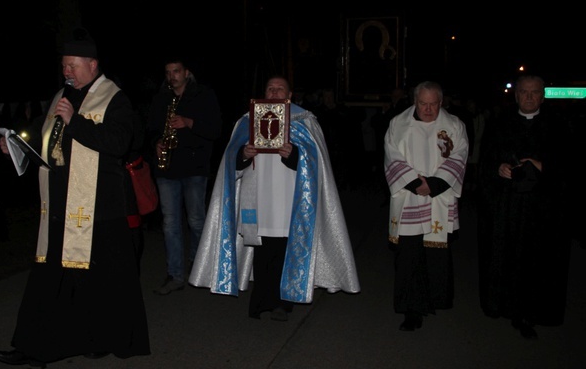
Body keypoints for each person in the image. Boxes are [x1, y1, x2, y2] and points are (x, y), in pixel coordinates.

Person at [0, 29, 150, 367]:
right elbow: (40, 134)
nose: (67, 72)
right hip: (60, 204)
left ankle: (101, 337)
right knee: (49, 277)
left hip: (102, 207)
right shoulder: (60, 96)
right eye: (64, 66)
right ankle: (32, 346)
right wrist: (16, 144)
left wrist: (75, 121)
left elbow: (119, 143)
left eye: (73, 66)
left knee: (100, 280)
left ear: (92, 65)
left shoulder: (115, 99)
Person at [189, 76, 360, 321]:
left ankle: (282, 304)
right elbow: (229, 161)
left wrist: (294, 155)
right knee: (261, 250)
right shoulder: (247, 120)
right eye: (270, 88)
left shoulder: (305, 120)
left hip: (290, 198)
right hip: (257, 197)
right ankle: (260, 303)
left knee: (282, 250)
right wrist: (243, 154)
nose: (274, 92)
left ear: (289, 95)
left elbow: (316, 162)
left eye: (280, 89)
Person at [477, 75, 571, 339]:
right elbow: (486, 160)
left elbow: (570, 165)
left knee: (536, 260)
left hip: (542, 211)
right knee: (507, 257)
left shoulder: (558, 125)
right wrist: (499, 168)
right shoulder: (500, 123)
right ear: (516, 95)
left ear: (543, 96)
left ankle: (531, 312)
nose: (529, 97)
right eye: (524, 92)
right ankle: (505, 306)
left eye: (534, 92)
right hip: (507, 208)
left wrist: (543, 167)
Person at [383, 80, 468, 331]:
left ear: (441, 103)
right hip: (409, 197)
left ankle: (434, 299)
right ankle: (412, 310)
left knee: (435, 255)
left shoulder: (453, 125)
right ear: (415, 101)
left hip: (438, 197)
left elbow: (460, 155)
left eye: (433, 104)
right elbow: (391, 155)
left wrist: (434, 184)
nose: (429, 110)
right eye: (423, 104)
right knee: (409, 256)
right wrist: (413, 182)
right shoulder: (399, 124)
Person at [146, 56, 222, 295]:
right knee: (170, 223)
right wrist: (156, 142)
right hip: (167, 168)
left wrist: (189, 122)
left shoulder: (204, 95)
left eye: (176, 71)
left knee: (196, 220)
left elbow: (216, 129)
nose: (172, 77)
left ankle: (199, 267)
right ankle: (175, 274)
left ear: (186, 72)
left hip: (194, 167)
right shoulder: (161, 98)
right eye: (168, 72)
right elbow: (149, 129)